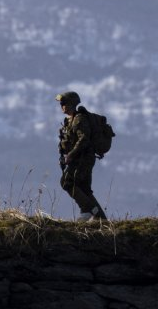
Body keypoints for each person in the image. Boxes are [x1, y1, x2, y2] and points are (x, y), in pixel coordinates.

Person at [56, 91, 108, 221]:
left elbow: (83, 139)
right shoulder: (69, 120)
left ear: (72, 104)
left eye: (64, 103)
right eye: (61, 104)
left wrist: (71, 155)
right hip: (79, 158)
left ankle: (87, 211)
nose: (62, 106)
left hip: (83, 158)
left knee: (67, 182)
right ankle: (101, 219)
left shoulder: (79, 119)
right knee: (84, 188)